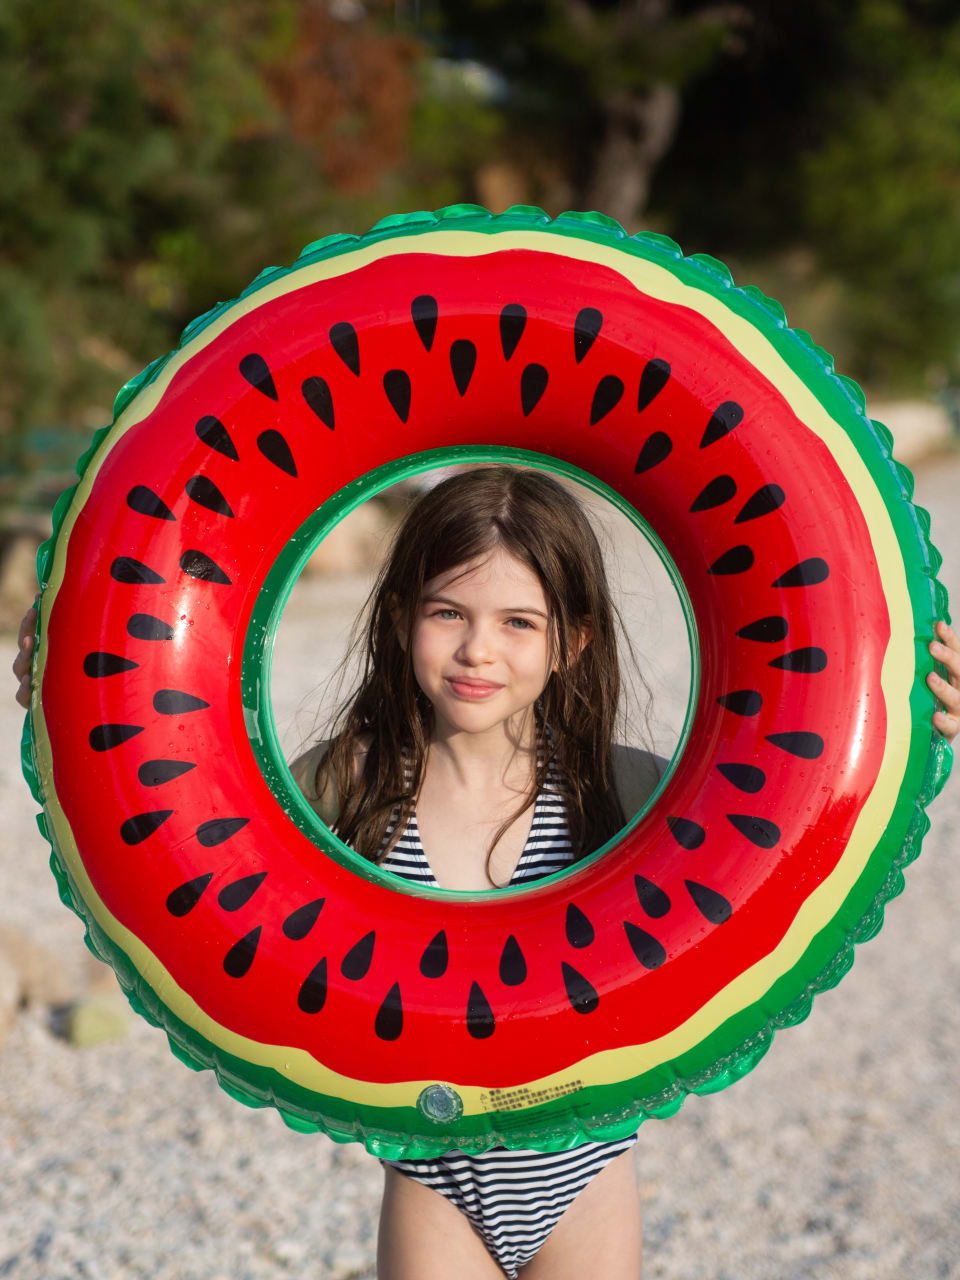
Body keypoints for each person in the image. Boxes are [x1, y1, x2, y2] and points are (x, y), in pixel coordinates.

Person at [12, 464, 960, 1280]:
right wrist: (72, 689)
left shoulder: (618, 790)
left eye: (518, 622)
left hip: (587, 1171)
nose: (478, 651)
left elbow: (796, 827)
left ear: (570, 641)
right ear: (398, 616)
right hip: (433, 1176)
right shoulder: (346, 785)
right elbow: (186, 822)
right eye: (448, 613)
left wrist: (920, 715)